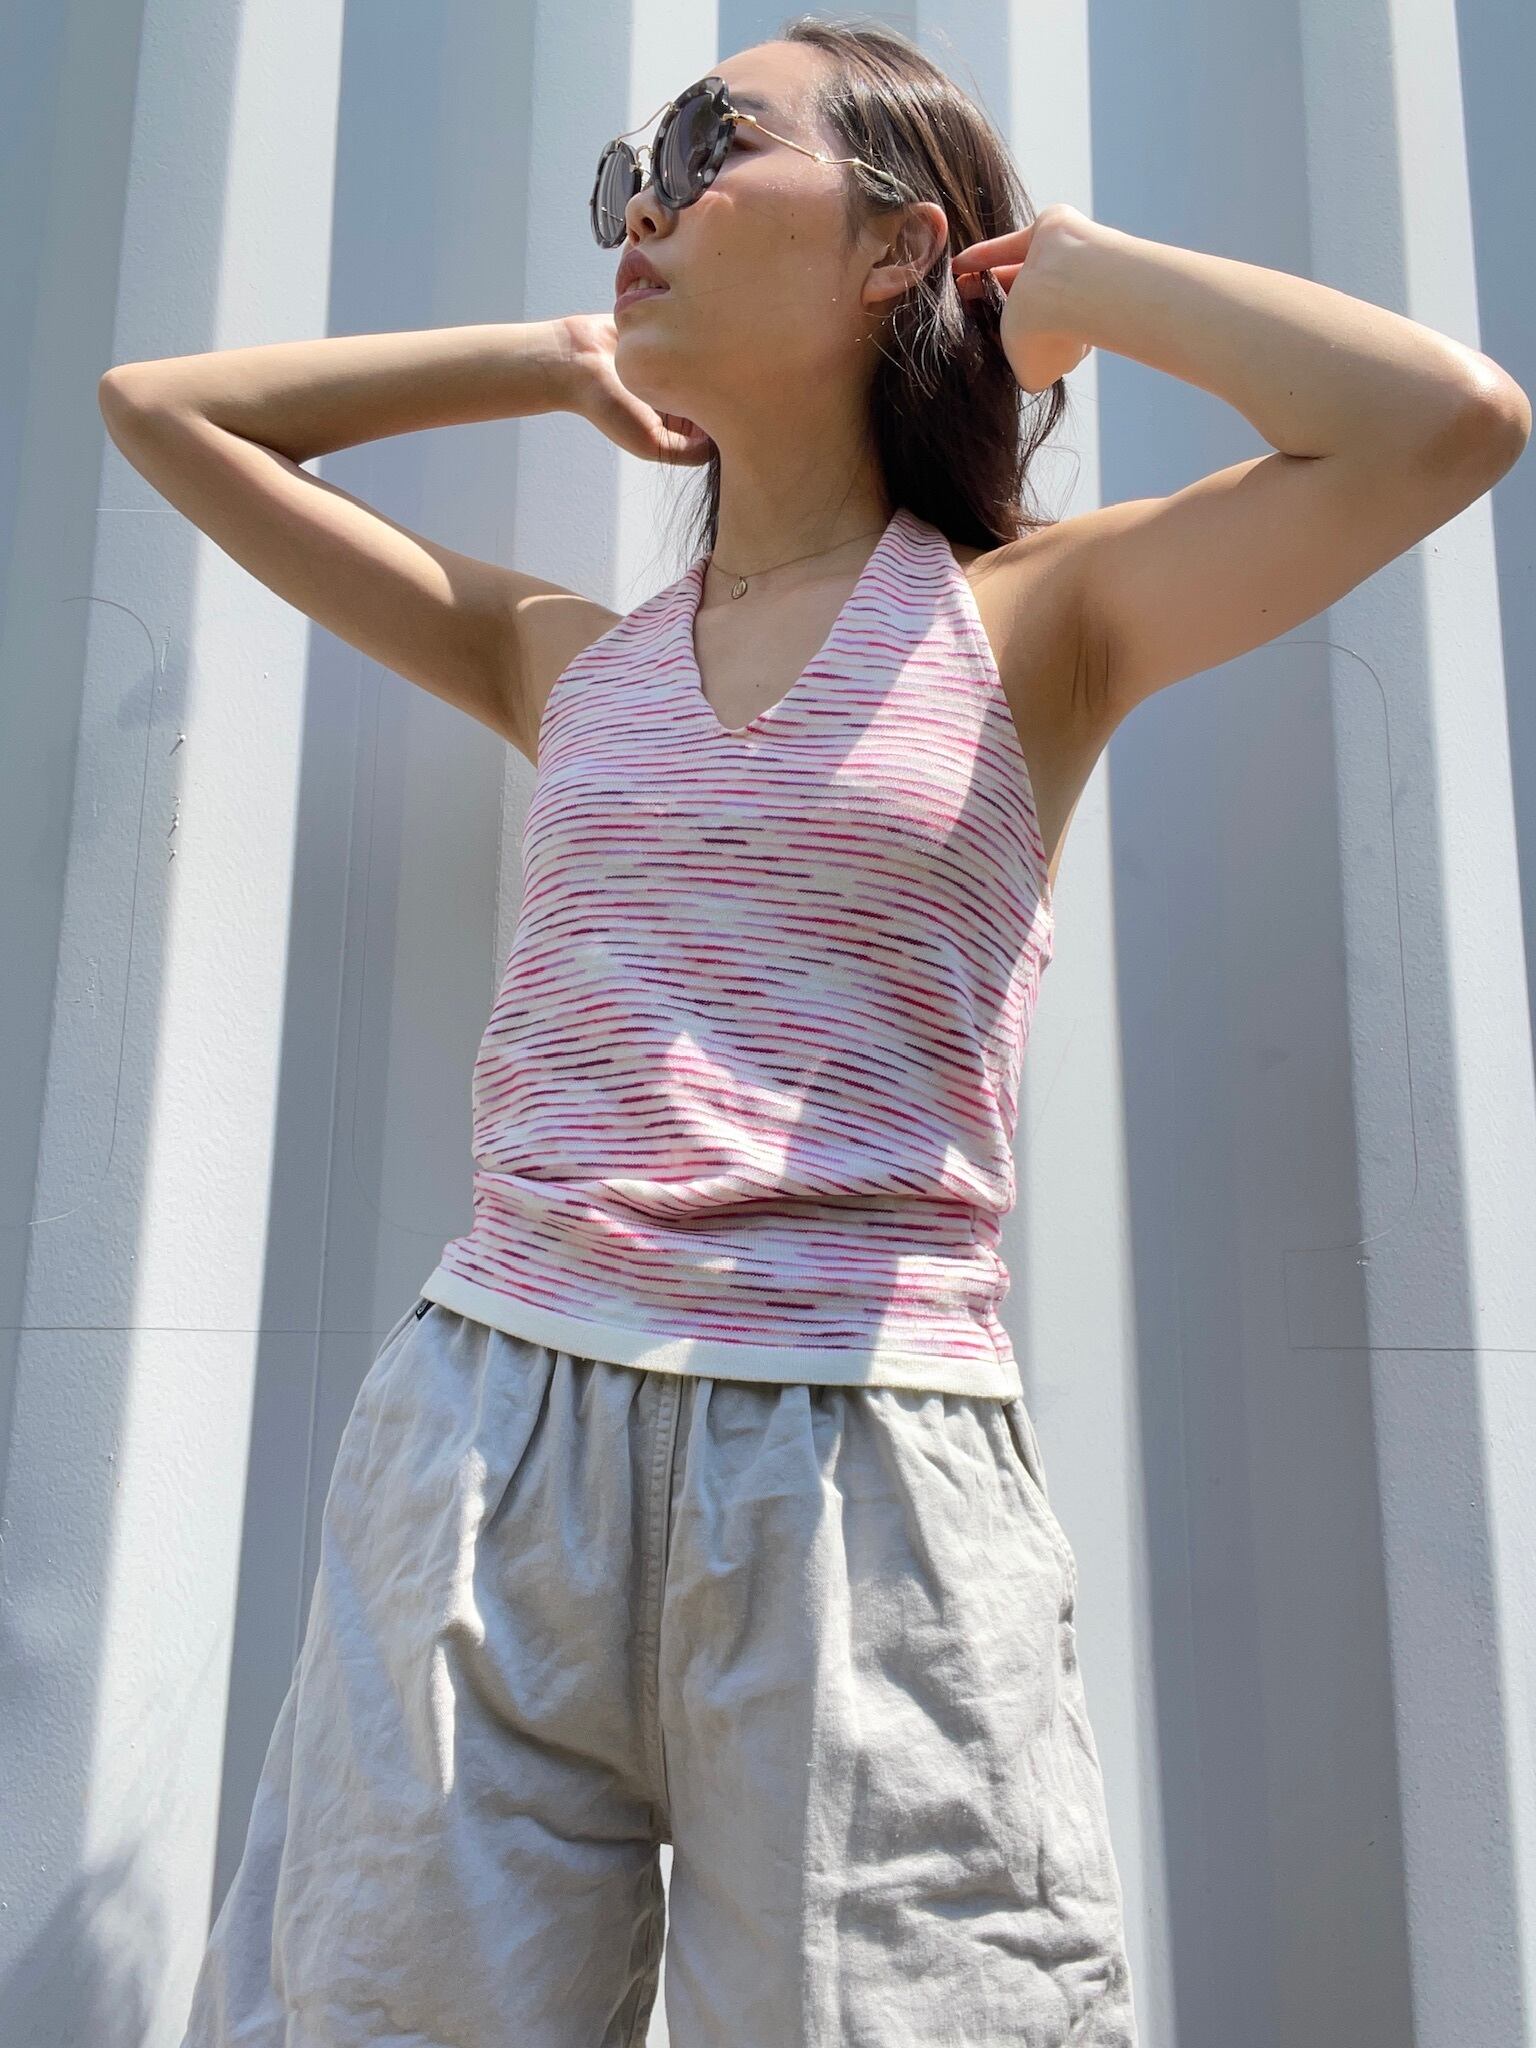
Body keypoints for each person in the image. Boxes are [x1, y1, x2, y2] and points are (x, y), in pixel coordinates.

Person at [99, 18, 1528, 2048]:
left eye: (711, 145)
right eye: (627, 177)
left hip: (861, 1455)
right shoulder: (566, 661)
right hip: (491, 1435)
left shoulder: (1038, 620)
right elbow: (163, 413)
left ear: (895, 245)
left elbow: (1445, 424)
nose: (647, 203)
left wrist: (1089, 280)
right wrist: (548, 359)